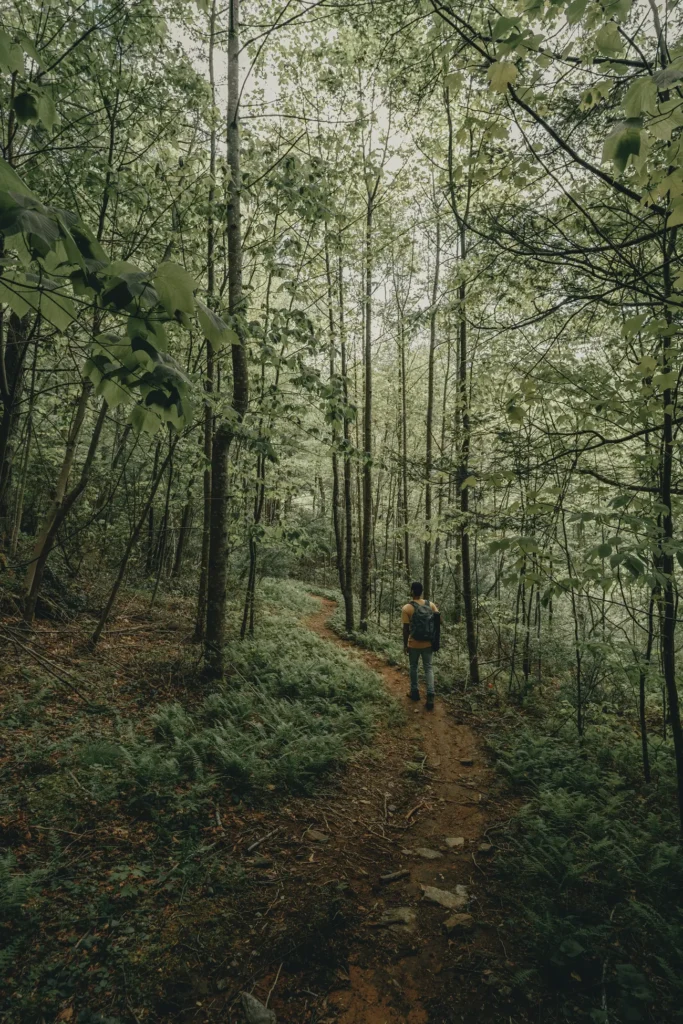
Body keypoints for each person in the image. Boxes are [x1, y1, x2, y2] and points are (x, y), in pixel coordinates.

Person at [401, 581, 440, 711]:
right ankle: (430, 695)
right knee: (428, 668)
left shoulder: (407, 608)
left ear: (412, 591)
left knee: (413, 667)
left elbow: (406, 629)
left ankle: (415, 692)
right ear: (422, 592)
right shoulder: (431, 605)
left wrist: (405, 645)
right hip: (428, 643)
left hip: (414, 643)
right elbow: (439, 621)